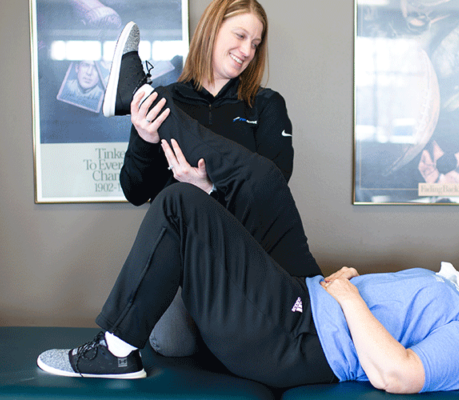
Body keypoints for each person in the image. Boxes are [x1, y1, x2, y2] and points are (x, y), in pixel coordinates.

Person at [37, 23, 459, 393]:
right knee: (256, 181)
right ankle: (139, 101)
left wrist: (347, 295)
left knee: (179, 204)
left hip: (296, 334)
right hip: (300, 299)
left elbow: (400, 374)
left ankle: (116, 351)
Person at [109, 0, 318, 357]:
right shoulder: (166, 101)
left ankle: (132, 93)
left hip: (246, 258)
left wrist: (208, 190)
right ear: (211, 30)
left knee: (261, 176)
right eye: (240, 35)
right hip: (183, 262)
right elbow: (134, 190)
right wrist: (145, 138)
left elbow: (270, 193)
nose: (247, 51)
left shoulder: (266, 105)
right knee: (174, 342)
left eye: (255, 43)